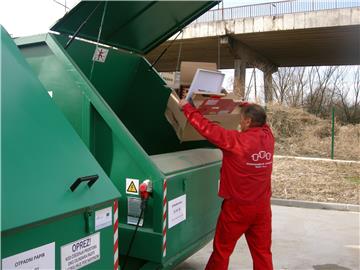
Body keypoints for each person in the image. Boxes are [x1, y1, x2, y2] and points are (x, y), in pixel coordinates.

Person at [179, 99, 275, 270]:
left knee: (222, 251)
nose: (239, 123)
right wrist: (246, 105)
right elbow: (264, 123)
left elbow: (207, 129)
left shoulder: (236, 142)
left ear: (248, 121)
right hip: (262, 209)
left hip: (237, 209)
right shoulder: (269, 138)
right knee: (262, 253)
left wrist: (187, 108)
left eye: (242, 119)